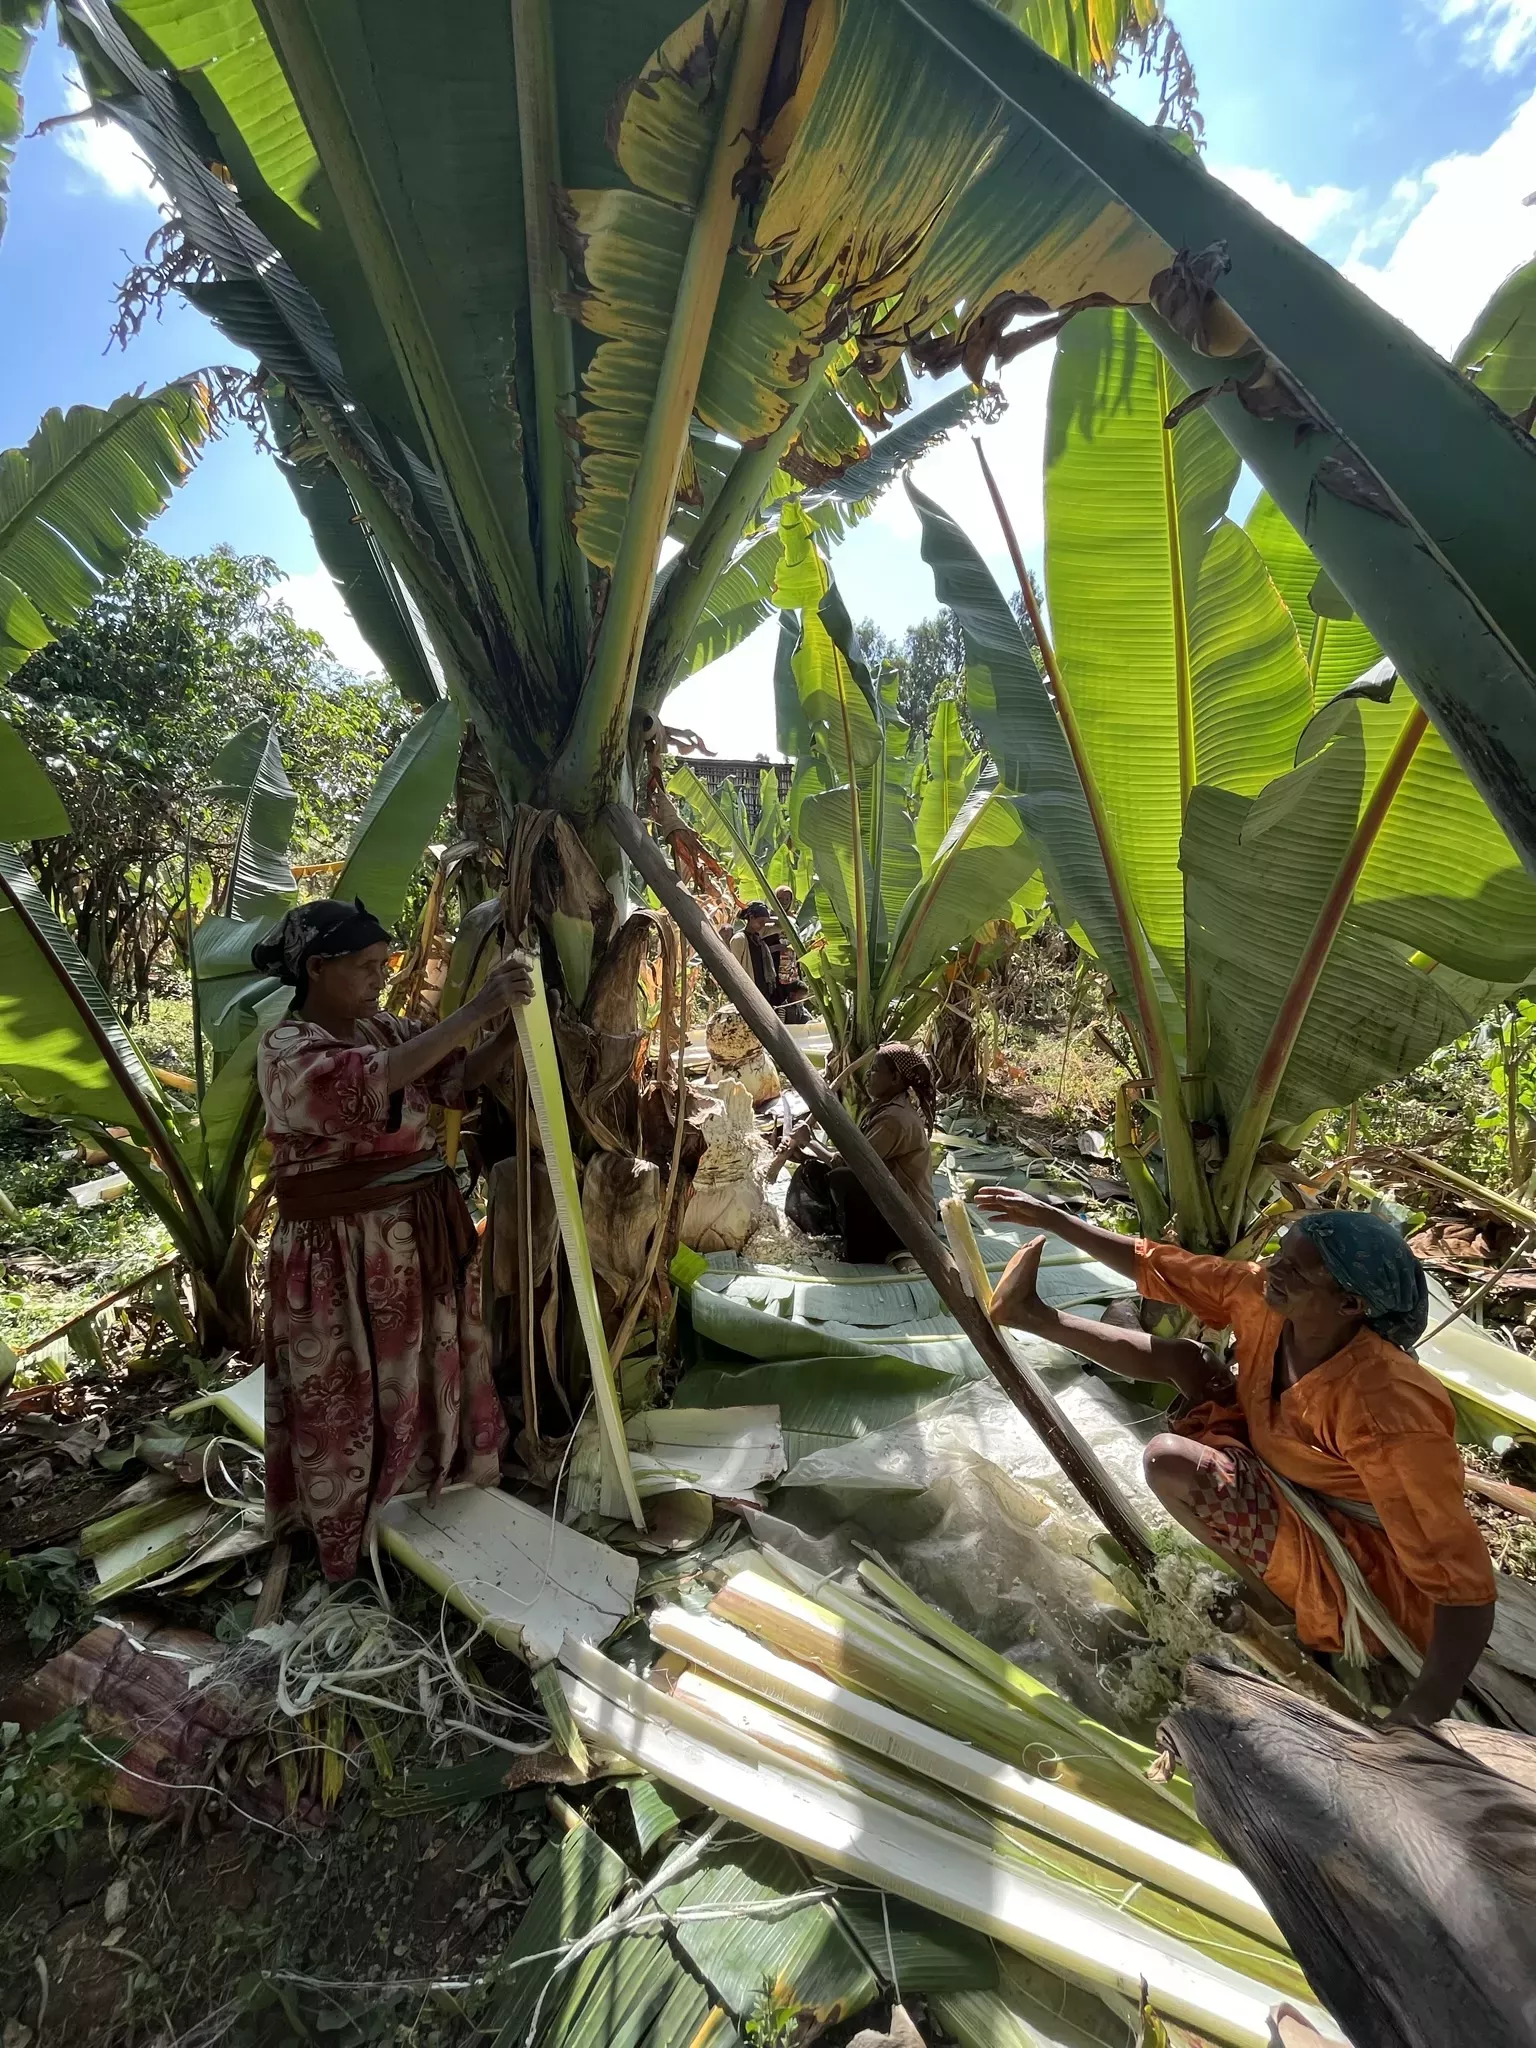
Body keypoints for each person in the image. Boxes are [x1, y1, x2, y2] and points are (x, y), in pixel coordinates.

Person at [974, 1191, 1497, 1725]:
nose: (1273, 1270)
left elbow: (1461, 1580)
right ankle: (1031, 1315)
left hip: (1357, 1554)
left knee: (1169, 1462)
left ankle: (1278, 1601)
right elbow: (1162, 1265)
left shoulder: (1386, 1406)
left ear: (1349, 1306)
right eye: (1278, 1256)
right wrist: (1055, 1219)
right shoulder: (1267, 1297)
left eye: (1296, 1271)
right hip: (1280, 1455)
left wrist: (1426, 1705)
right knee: (1189, 1360)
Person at [252, 899, 532, 1580]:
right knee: (347, 1383)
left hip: (414, 1238)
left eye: (384, 964)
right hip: (338, 1255)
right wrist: (472, 1012)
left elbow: (453, 1079)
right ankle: (349, 1524)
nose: (380, 978)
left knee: (421, 1366)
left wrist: (513, 1030)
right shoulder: (288, 1050)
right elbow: (373, 1083)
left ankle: (425, 1494)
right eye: (366, 966)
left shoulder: (381, 1026)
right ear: (317, 968)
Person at [785, 1043, 937, 1272]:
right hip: (886, 1201)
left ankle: (866, 1250)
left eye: (875, 1070)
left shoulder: (894, 1120)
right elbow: (852, 1153)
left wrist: (810, 1141)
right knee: (813, 1171)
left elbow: (854, 1164)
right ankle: (831, 1232)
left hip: (907, 1220)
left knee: (843, 1179)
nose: (867, 1075)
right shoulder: (882, 1108)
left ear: (895, 1078)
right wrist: (805, 1152)